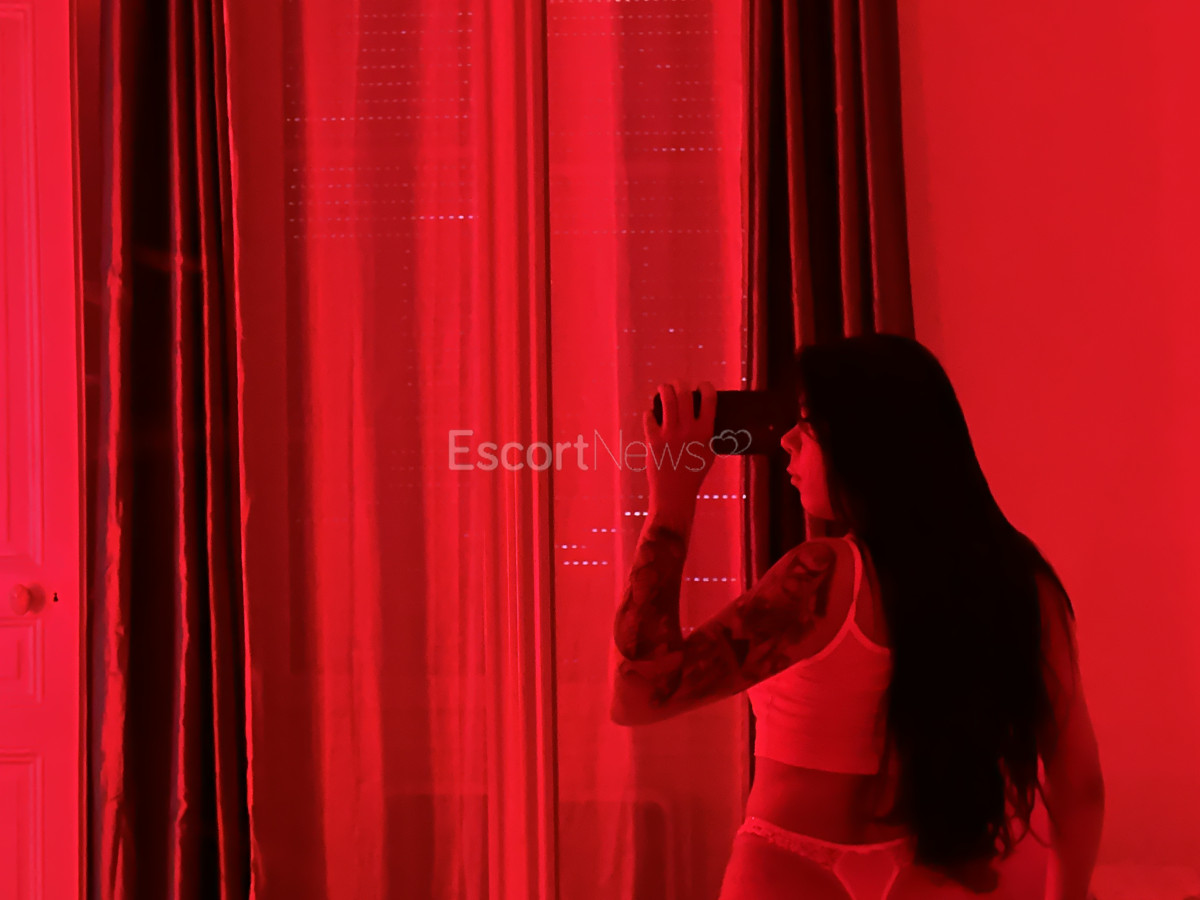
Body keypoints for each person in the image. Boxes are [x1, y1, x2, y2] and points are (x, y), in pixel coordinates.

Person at [610, 333, 1105, 899]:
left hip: (791, 866)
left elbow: (638, 694)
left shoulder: (821, 577)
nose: (787, 441)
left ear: (866, 443)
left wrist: (671, 502)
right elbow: (1080, 786)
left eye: (807, 425)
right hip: (933, 871)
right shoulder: (1022, 582)